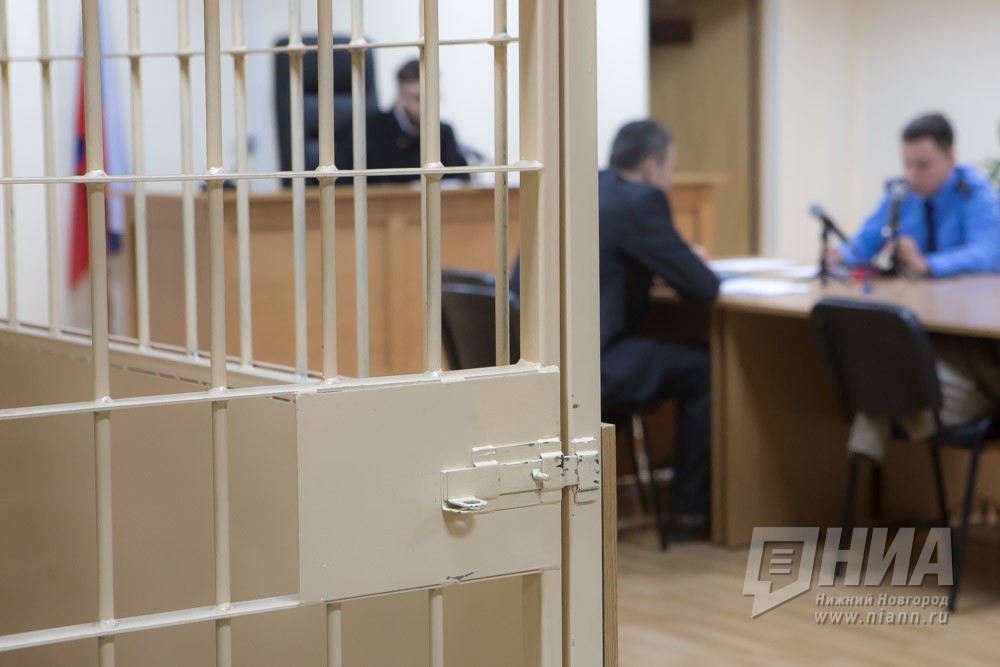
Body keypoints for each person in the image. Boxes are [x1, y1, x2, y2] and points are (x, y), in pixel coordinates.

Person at [514, 119, 719, 534]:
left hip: (542, 359)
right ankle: (689, 510)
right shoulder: (643, 201)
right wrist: (681, 260)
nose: (670, 182)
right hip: (594, 367)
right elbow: (703, 287)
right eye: (670, 170)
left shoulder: (586, 186)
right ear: (651, 166)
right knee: (707, 368)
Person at [828, 112, 1000, 462]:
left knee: (889, 383)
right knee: (892, 365)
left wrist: (928, 264)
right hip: (918, 326)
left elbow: (988, 253)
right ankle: (897, 429)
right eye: (906, 164)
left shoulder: (975, 192)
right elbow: (863, 245)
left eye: (923, 165)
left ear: (950, 159)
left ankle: (872, 440)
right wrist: (838, 255)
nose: (912, 175)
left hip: (965, 332)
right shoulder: (901, 193)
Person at [338, 59, 469, 184]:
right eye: (418, 98)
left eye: (433, 97)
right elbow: (344, 185)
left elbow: (462, 182)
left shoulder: (442, 133)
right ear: (400, 96)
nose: (428, 106)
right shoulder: (366, 130)